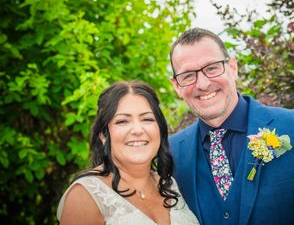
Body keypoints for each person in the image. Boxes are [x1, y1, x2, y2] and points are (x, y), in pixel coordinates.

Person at [168, 27, 294, 224]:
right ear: (177, 85)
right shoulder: (171, 152)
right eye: (188, 75)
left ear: (233, 68)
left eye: (211, 68)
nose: (202, 84)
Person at [57, 81, 199, 225]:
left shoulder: (169, 184)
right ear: (103, 136)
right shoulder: (85, 196)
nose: (138, 130)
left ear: (160, 130)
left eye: (147, 119)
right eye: (123, 121)